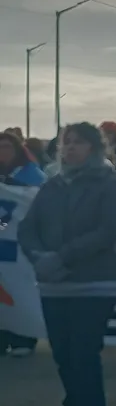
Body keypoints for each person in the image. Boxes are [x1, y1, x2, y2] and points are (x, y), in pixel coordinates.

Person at [17, 122, 116, 406]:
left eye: (77, 143)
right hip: (54, 287)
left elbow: (110, 230)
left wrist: (62, 256)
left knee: (83, 356)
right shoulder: (52, 186)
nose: (69, 149)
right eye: (66, 143)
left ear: (92, 147)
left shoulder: (108, 183)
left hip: (94, 285)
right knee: (64, 358)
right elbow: (28, 228)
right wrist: (40, 257)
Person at [0, 131, 46, 357]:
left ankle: (24, 337)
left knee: (21, 290)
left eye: (7, 147)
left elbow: (41, 203)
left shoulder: (32, 174)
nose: (3, 152)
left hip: (19, 244)